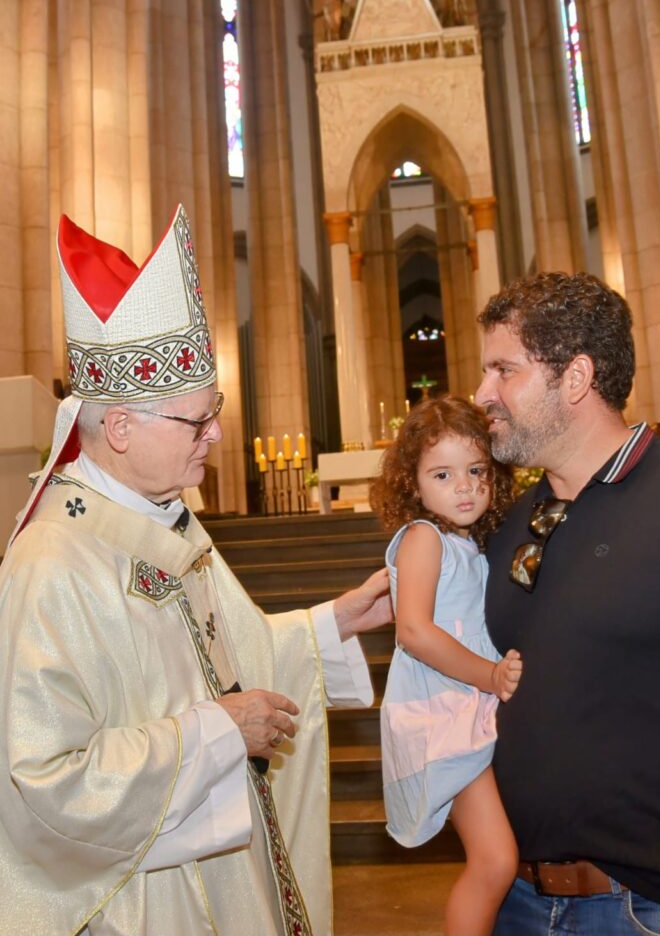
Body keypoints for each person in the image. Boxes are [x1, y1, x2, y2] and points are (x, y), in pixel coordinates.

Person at [0, 205, 392, 936]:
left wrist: (333, 623)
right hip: (140, 900)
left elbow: (231, 661)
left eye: (215, 411)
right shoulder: (54, 562)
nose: (215, 434)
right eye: (197, 419)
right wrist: (214, 734)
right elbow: (42, 780)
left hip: (220, 873)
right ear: (120, 428)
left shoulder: (166, 521)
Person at [475, 272, 660, 935]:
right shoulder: (511, 524)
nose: (482, 394)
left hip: (651, 908)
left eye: (503, 370)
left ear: (574, 378)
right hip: (519, 901)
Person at [369, 395, 522, 936]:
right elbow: (413, 631)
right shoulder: (424, 538)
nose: (465, 487)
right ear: (412, 483)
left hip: (466, 702)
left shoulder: (468, 545)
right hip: (441, 708)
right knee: (495, 861)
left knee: (498, 855)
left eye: (476, 471)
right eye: (443, 474)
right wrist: (490, 675)